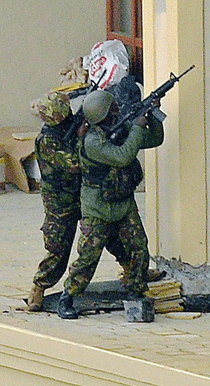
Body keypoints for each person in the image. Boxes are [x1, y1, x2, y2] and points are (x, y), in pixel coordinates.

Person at [58, 90, 164, 319]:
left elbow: (155, 139)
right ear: (104, 115)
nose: (117, 109)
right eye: (113, 108)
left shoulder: (119, 129)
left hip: (123, 202)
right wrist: (137, 126)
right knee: (88, 256)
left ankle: (136, 291)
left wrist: (152, 114)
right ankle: (68, 296)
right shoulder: (92, 141)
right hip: (97, 208)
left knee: (138, 248)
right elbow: (122, 156)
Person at [26, 91, 136, 311]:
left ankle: (131, 271)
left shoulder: (69, 124)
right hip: (60, 201)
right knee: (59, 247)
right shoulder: (47, 140)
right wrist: (81, 135)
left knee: (108, 233)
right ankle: (39, 287)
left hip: (82, 194)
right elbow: (75, 162)